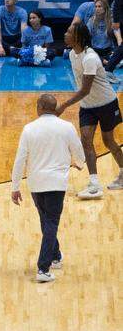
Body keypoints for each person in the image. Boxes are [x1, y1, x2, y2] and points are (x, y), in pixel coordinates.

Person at [10, 93, 85, 283]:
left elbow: (20, 160)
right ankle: (43, 269)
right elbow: (78, 150)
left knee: (46, 221)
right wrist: (80, 163)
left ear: (41, 108)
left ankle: (55, 256)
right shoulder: (67, 127)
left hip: (36, 183)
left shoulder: (29, 129)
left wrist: (15, 186)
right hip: (56, 184)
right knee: (50, 222)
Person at [55, 21, 123, 199]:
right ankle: (94, 184)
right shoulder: (72, 54)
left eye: (69, 32)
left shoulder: (90, 58)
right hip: (87, 107)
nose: (65, 34)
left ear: (78, 37)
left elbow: (85, 89)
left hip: (107, 103)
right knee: (86, 140)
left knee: (109, 141)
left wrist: (63, 105)